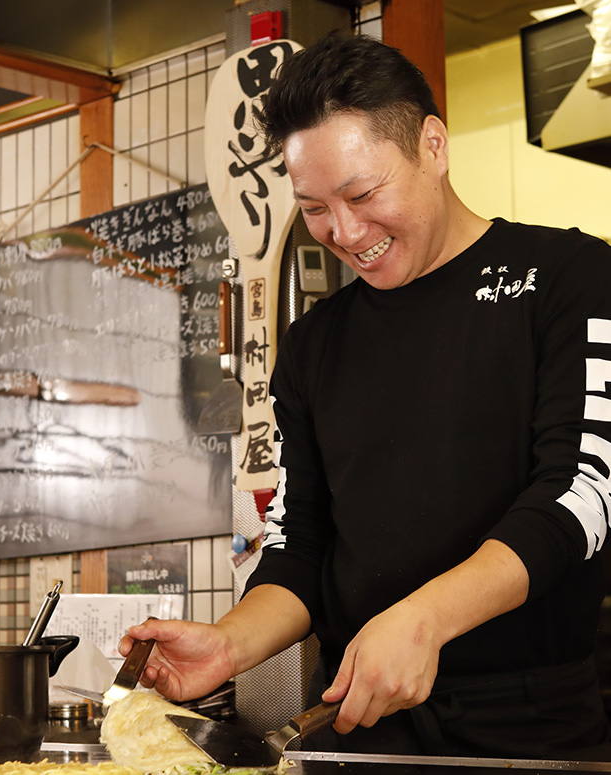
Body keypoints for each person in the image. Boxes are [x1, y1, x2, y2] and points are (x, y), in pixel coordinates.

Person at [120, 33, 611, 759]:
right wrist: (227, 645)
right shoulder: (317, 342)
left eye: (363, 193)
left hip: (533, 719)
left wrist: (424, 620)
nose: (345, 233)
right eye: (314, 207)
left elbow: (581, 493)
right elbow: (301, 544)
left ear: (433, 146)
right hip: (358, 724)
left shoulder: (569, 276)